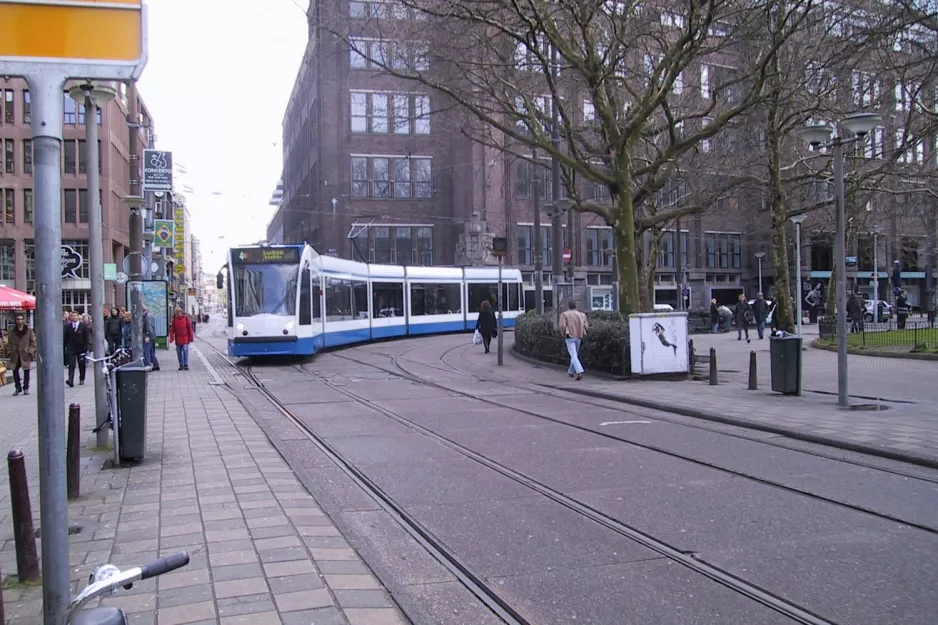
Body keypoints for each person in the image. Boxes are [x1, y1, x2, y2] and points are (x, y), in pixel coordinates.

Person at [558, 300, 588, 380]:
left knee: (573, 355)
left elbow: (562, 326)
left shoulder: (564, 314)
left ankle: (579, 371)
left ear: (568, 306)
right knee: (575, 354)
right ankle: (570, 371)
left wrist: (562, 333)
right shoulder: (582, 315)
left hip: (569, 336)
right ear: (575, 306)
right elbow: (586, 326)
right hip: (579, 336)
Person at [9, 313, 36, 396]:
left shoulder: (28, 330)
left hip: (25, 354)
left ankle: (26, 388)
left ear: (24, 320)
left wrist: (30, 351)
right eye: (18, 319)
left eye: (21, 319)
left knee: (26, 372)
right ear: (16, 320)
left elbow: (33, 342)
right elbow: (9, 343)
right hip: (15, 354)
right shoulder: (12, 331)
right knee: (15, 371)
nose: (19, 321)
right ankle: (17, 387)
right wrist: (10, 351)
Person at [63, 311, 90, 387]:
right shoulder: (68, 326)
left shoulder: (83, 326)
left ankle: (82, 378)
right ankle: (70, 380)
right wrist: (65, 347)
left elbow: (86, 338)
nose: (74, 317)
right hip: (71, 348)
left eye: (75, 316)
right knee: (71, 365)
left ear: (78, 317)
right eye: (73, 316)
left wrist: (86, 347)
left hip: (81, 348)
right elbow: (65, 337)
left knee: (81, 364)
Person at [169, 306, 195, 370]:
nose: (178, 314)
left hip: (185, 338)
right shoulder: (174, 320)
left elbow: (190, 329)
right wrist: (171, 338)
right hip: (178, 339)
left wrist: (191, 338)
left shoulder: (186, 319)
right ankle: (181, 364)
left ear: (181, 312)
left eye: (179, 312)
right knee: (179, 352)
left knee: (185, 350)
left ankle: (185, 364)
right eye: (177, 312)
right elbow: (172, 330)